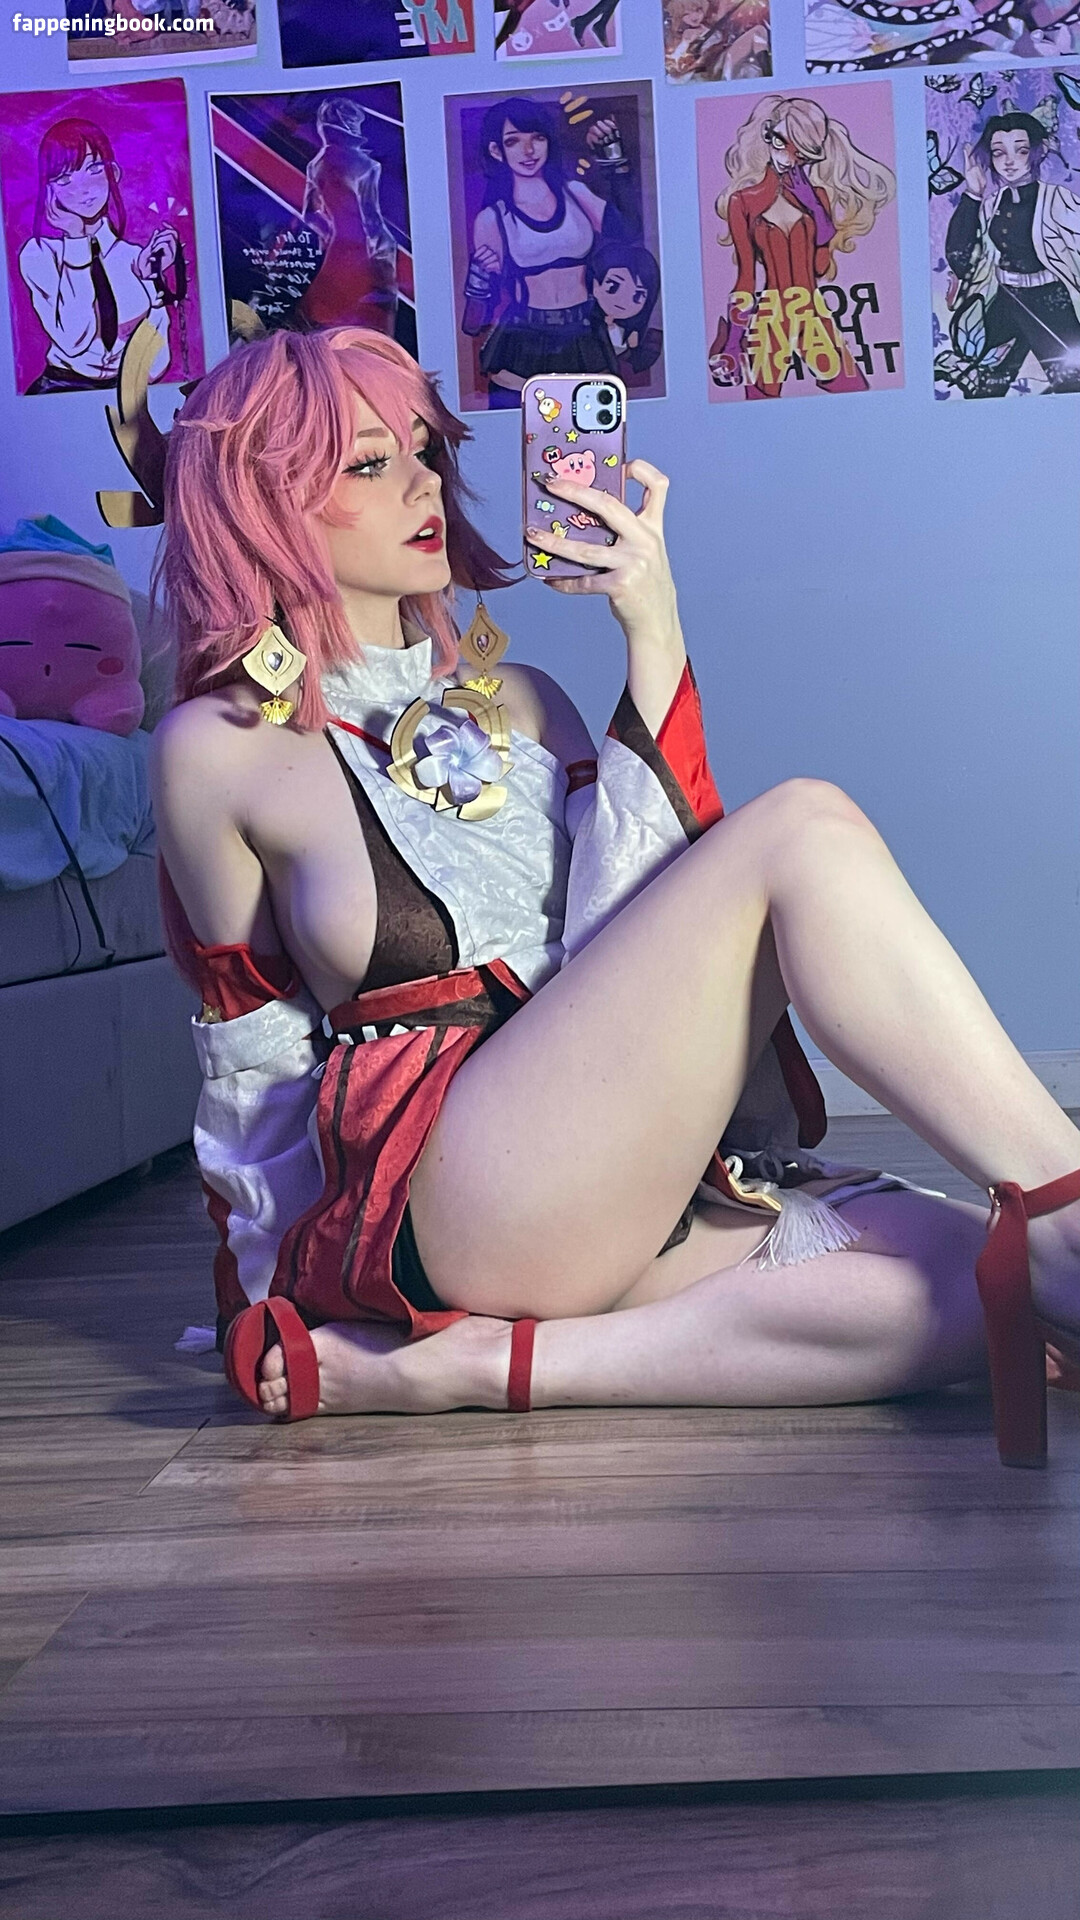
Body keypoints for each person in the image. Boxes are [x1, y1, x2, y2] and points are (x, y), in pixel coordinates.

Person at [151, 324, 1080, 1468]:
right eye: (369, 463)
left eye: (426, 451)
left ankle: (480, 1369)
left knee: (970, 1284)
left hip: (593, 1160)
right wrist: (275, 1292)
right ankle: (1072, 1216)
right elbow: (251, 1050)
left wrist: (655, 632)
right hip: (451, 1188)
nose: (425, 484)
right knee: (803, 826)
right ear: (261, 505)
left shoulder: (524, 700)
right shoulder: (220, 749)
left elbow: (633, 935)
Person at [708, 94, 894, 399]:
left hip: (812, 313)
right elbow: (745, 278)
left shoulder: (817, 197)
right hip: (770, 318)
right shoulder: (742, 202)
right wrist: (732, 342)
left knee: (856, 392)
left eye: (801, 152)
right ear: (767, 134)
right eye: (781, 141)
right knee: (759, 405)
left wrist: (814, 207)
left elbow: (820, 266)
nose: (787, 157)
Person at [461, 96, 639, 408]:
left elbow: (628, 231)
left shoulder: (576, 194)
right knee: (520, 432)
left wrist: (614, 160)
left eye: (537, 138)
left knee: (599, 432)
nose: (528, 151)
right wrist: (478, 279)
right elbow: (474, 324)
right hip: (523, 346)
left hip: (585, 335)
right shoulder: (492, 219)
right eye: (513, 141)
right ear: (496, 151)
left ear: (548, 142)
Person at [19, 117, 180, 394]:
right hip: (60, 390)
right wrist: (76, 240)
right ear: (48, 189)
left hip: (127, 394)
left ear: (112, 173)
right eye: (64, 179)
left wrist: (153, 282)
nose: (83, 189)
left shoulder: (133, 257)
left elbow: (156, 366)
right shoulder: (40, 254)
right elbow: (74, 341)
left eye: (93, 169)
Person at [943, 110, 1080, 398]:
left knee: (1072, 385)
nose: (1009, 161)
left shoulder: (1058, 200)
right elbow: (961, 259)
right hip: (1006, 302)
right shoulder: (992, 202)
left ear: (1040, 151)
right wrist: (972, 194)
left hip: (1050, 304)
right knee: (984, 388)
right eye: (998, 152)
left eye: (1021, 150)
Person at [295, 98, 399, 336]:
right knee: (373, 321)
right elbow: (371, 219)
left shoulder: (316, 165)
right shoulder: (367, 166)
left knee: (329, 318)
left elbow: (309, 215)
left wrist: (330, 233)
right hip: (364, 247)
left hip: (337, 245)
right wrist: (382, 253)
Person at [588, 239, 663, 382]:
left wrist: (633, 349)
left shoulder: (646, 340)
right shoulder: (586, 332)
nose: (623, 300)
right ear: (596, 285)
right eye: (613, 286)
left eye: (638, 295)